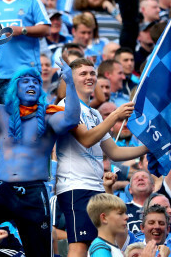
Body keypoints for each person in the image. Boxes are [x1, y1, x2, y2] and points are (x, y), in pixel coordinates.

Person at [0, 60, 81, 256]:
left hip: (34, 193)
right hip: (4, 188)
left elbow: (71, 119)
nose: (31, 84)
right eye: (25, 81)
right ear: (15, 87)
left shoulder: (48, 117)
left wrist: (71, 85)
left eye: (35, 82)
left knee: (38, 252)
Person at [56, 58, 148, 256]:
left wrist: (148, 148)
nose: (89, 77)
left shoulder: (95, 114)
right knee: (79, 246)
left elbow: (114, 152)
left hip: (96, 188)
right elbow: (86, 139)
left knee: (99, 245)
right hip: (75, 186)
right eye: (83, 74)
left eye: (92, 73)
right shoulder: (65, 106)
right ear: (70, 79)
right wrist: (114, 116)